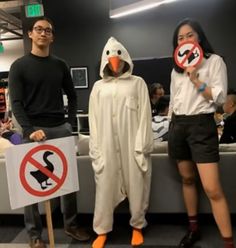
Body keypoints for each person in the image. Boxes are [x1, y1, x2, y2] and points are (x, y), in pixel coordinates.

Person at [8, 17, 90, 248]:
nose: (43, 33)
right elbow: (16, 103)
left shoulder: (60, 65)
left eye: (48, 30)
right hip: (31, 131)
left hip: (59, 129)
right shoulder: (19, 66)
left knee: (68, 183)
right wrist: (28, 129)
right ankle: (35, 235)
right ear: (30, 34)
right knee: (29, 188)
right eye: (39, 29)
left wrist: (69, 123)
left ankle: (71, 225)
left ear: (52, 37)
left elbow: (72, 96)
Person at [168, 18, 235, 248]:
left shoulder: (214, 61)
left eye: (189, 35)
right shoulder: (175, 69)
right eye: (180, 37)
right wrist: (171, 125)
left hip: (201, 125)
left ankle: (228, 242)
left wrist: (196, 79)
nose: (185, 40)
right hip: (178, 126)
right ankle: (193, 228)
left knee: (212, 188)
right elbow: (174, 100)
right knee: (187, 179)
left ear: (199, 37)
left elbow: (219, 98)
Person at [89, 37, 153, 248]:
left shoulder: (138, 83)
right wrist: (96, 149)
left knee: (137, 185)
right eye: (110, 58)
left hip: (132, 144)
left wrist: (142, 146)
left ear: (125, 58)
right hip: (106, 145)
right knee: (105, 187)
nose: (114, 63)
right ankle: (102, 230)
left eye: (118, 57)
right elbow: (94, 120)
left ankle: (137, 226)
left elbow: (145, 115)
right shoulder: (98, 87)